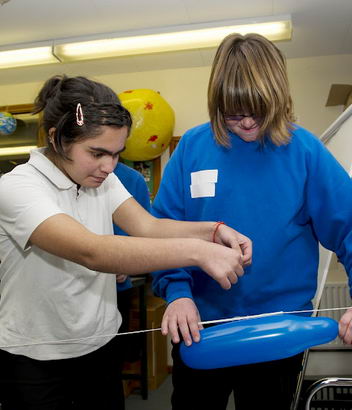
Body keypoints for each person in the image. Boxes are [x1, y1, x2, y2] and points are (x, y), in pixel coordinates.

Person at [0, 74, 252, 410]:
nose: (109, 166)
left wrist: (213, 230)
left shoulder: (102, 180)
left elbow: (147, 226)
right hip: (35, 358)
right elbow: (93, 251)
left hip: (99, 347)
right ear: (57, 138)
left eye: (117, 154)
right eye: (97, 153)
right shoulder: (18, 188)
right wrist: (198, 252)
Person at [151, 33, 352, 410]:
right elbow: (161, 230)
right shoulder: (192, 148)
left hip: (278, 332)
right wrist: (177, 294)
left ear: (278, 99)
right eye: (232, 113)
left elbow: (350, 227)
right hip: (200, 329)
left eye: (257, 111)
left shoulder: (304, 151)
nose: (245, 122)